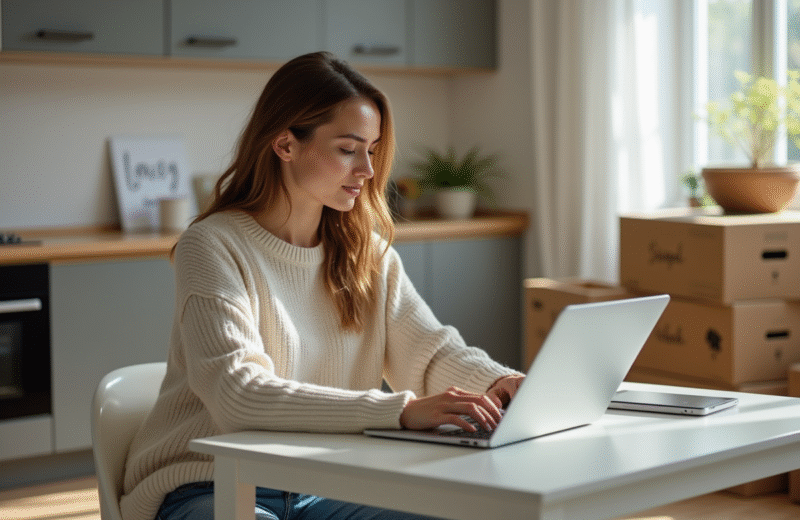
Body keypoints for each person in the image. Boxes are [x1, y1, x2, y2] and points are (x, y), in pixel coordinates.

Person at [120, 51, 524, 520]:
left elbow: (431, 353)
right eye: (348, 149)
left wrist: (503, 384)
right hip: (209, 482)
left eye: (371, 151)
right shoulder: (212, 246)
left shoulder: (366, 251)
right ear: (285, 144)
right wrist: (398, 410)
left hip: (326, 483)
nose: (368, 171)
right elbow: (238, 394)